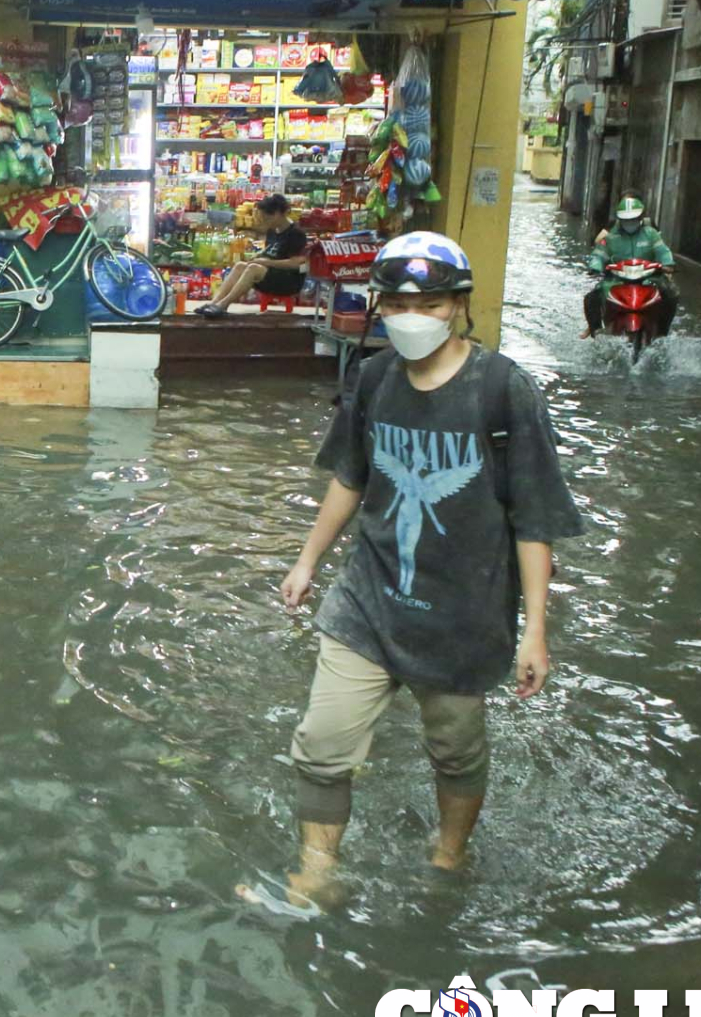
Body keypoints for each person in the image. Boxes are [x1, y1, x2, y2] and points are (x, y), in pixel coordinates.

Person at [241, 231, 582, 914]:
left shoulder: (504, 391)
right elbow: (351, 476)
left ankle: (449, 857)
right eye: (394, 300)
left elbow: (534, 518)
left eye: (425, 301)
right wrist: (308, 561)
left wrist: (534, 630)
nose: (408, 314)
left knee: (455, 751)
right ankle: (316, 872)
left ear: (458, 306)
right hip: (368, 597)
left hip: (462, 611)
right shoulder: (372, 378)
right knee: (323, 741)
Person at [198, 194, 307, 316]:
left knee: (253, 268)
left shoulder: (296, 234)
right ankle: (214, 303)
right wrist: (258, 256)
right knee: (240, 265)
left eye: (266, 218)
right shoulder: (272, 231)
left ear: (277, 214)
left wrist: (265, 262)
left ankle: (223, 305)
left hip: (288, 281)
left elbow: (298, 263)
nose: (264, 222)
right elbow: (271, 251)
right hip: (269, 275)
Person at [581, 196, 675, 338]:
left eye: (633, 219)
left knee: (670, 295)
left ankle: (663, 332)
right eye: (626, 220)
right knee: (591, 298)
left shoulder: (651, 234)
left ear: (640, 217)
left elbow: (663, 251)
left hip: (649, 278)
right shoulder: (612, 236)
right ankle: (595, 331)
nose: (629, 223)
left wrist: (668, 264)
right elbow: (599, 254)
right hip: (616, 279)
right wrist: (595, 266)